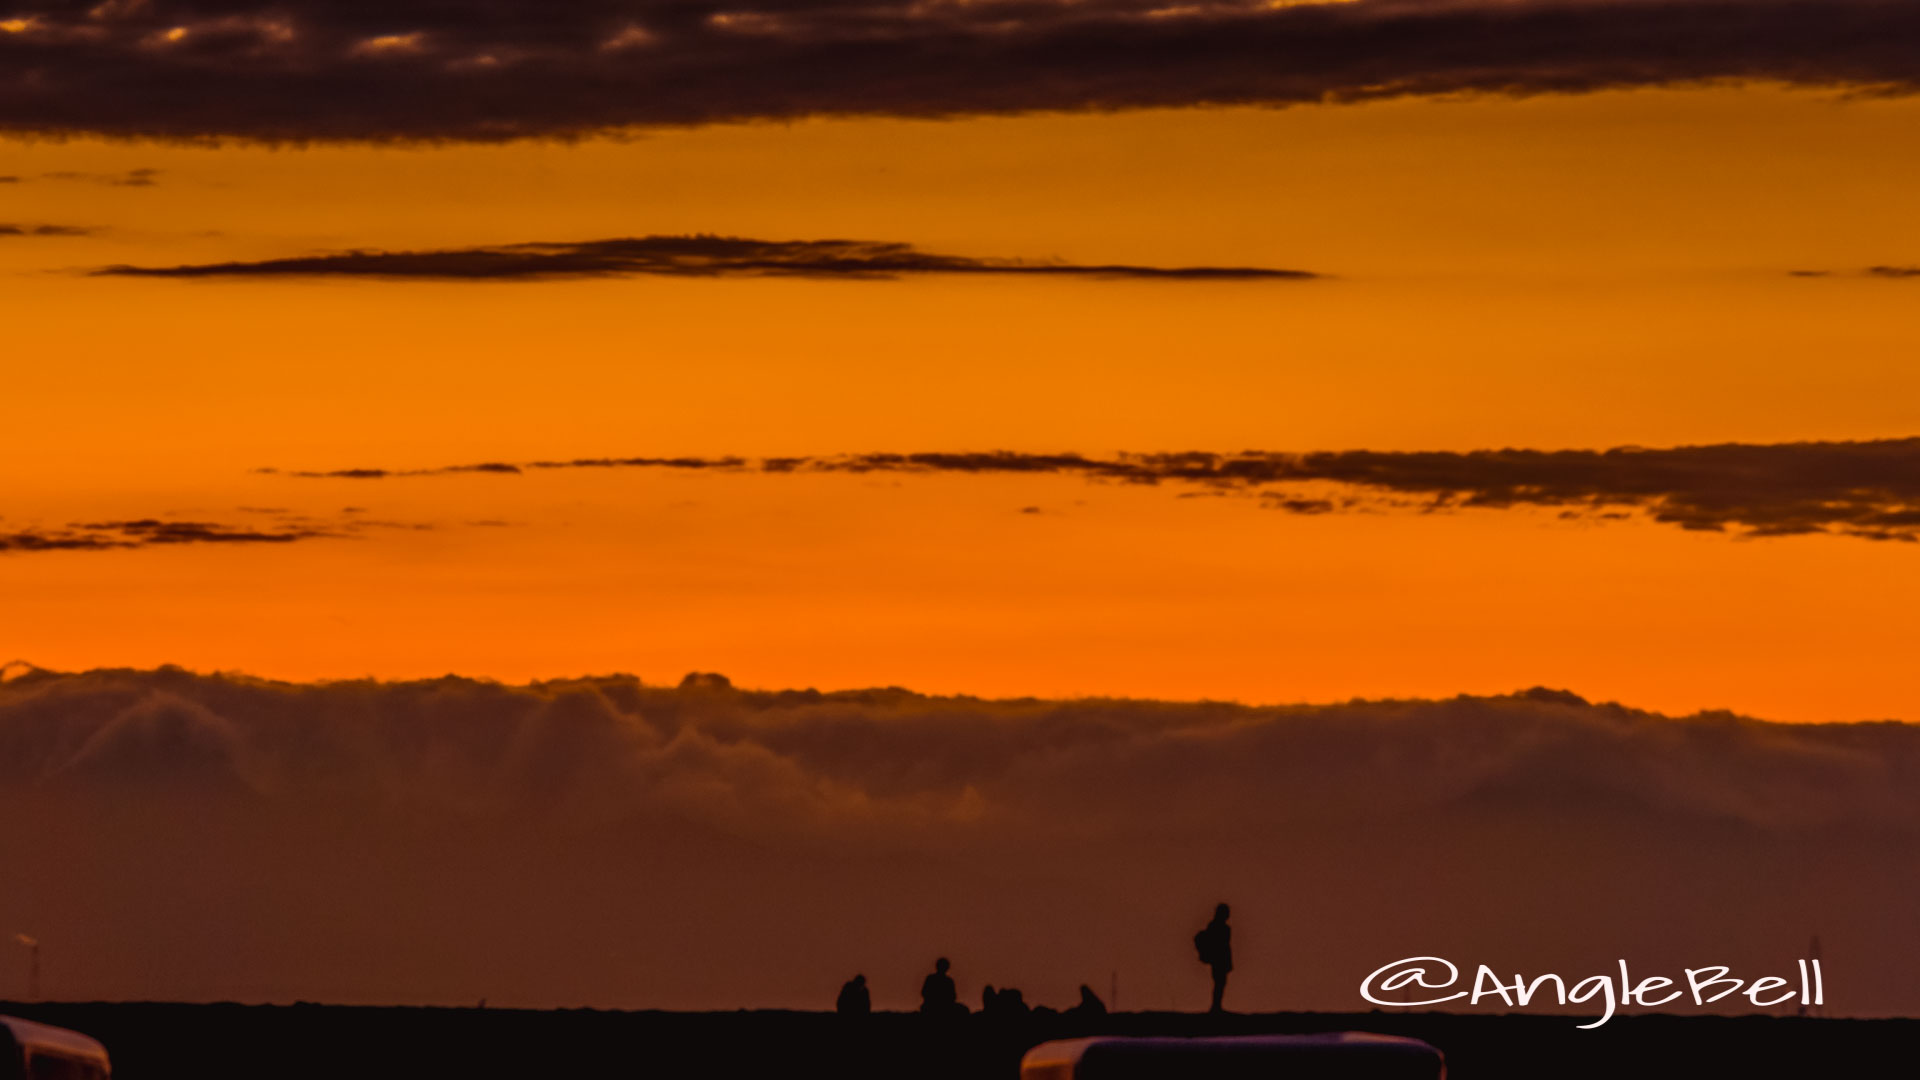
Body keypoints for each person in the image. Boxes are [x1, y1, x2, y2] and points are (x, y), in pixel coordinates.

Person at [1193, 902, 1233, 1013]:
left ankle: (1217, 1006)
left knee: (1220, 983)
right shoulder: (1218, 927)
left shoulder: (1218, 926)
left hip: (1220, 960)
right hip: (1218, 960)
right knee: (1219, 983)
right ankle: (1216, 1007)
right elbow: (1222, 945)